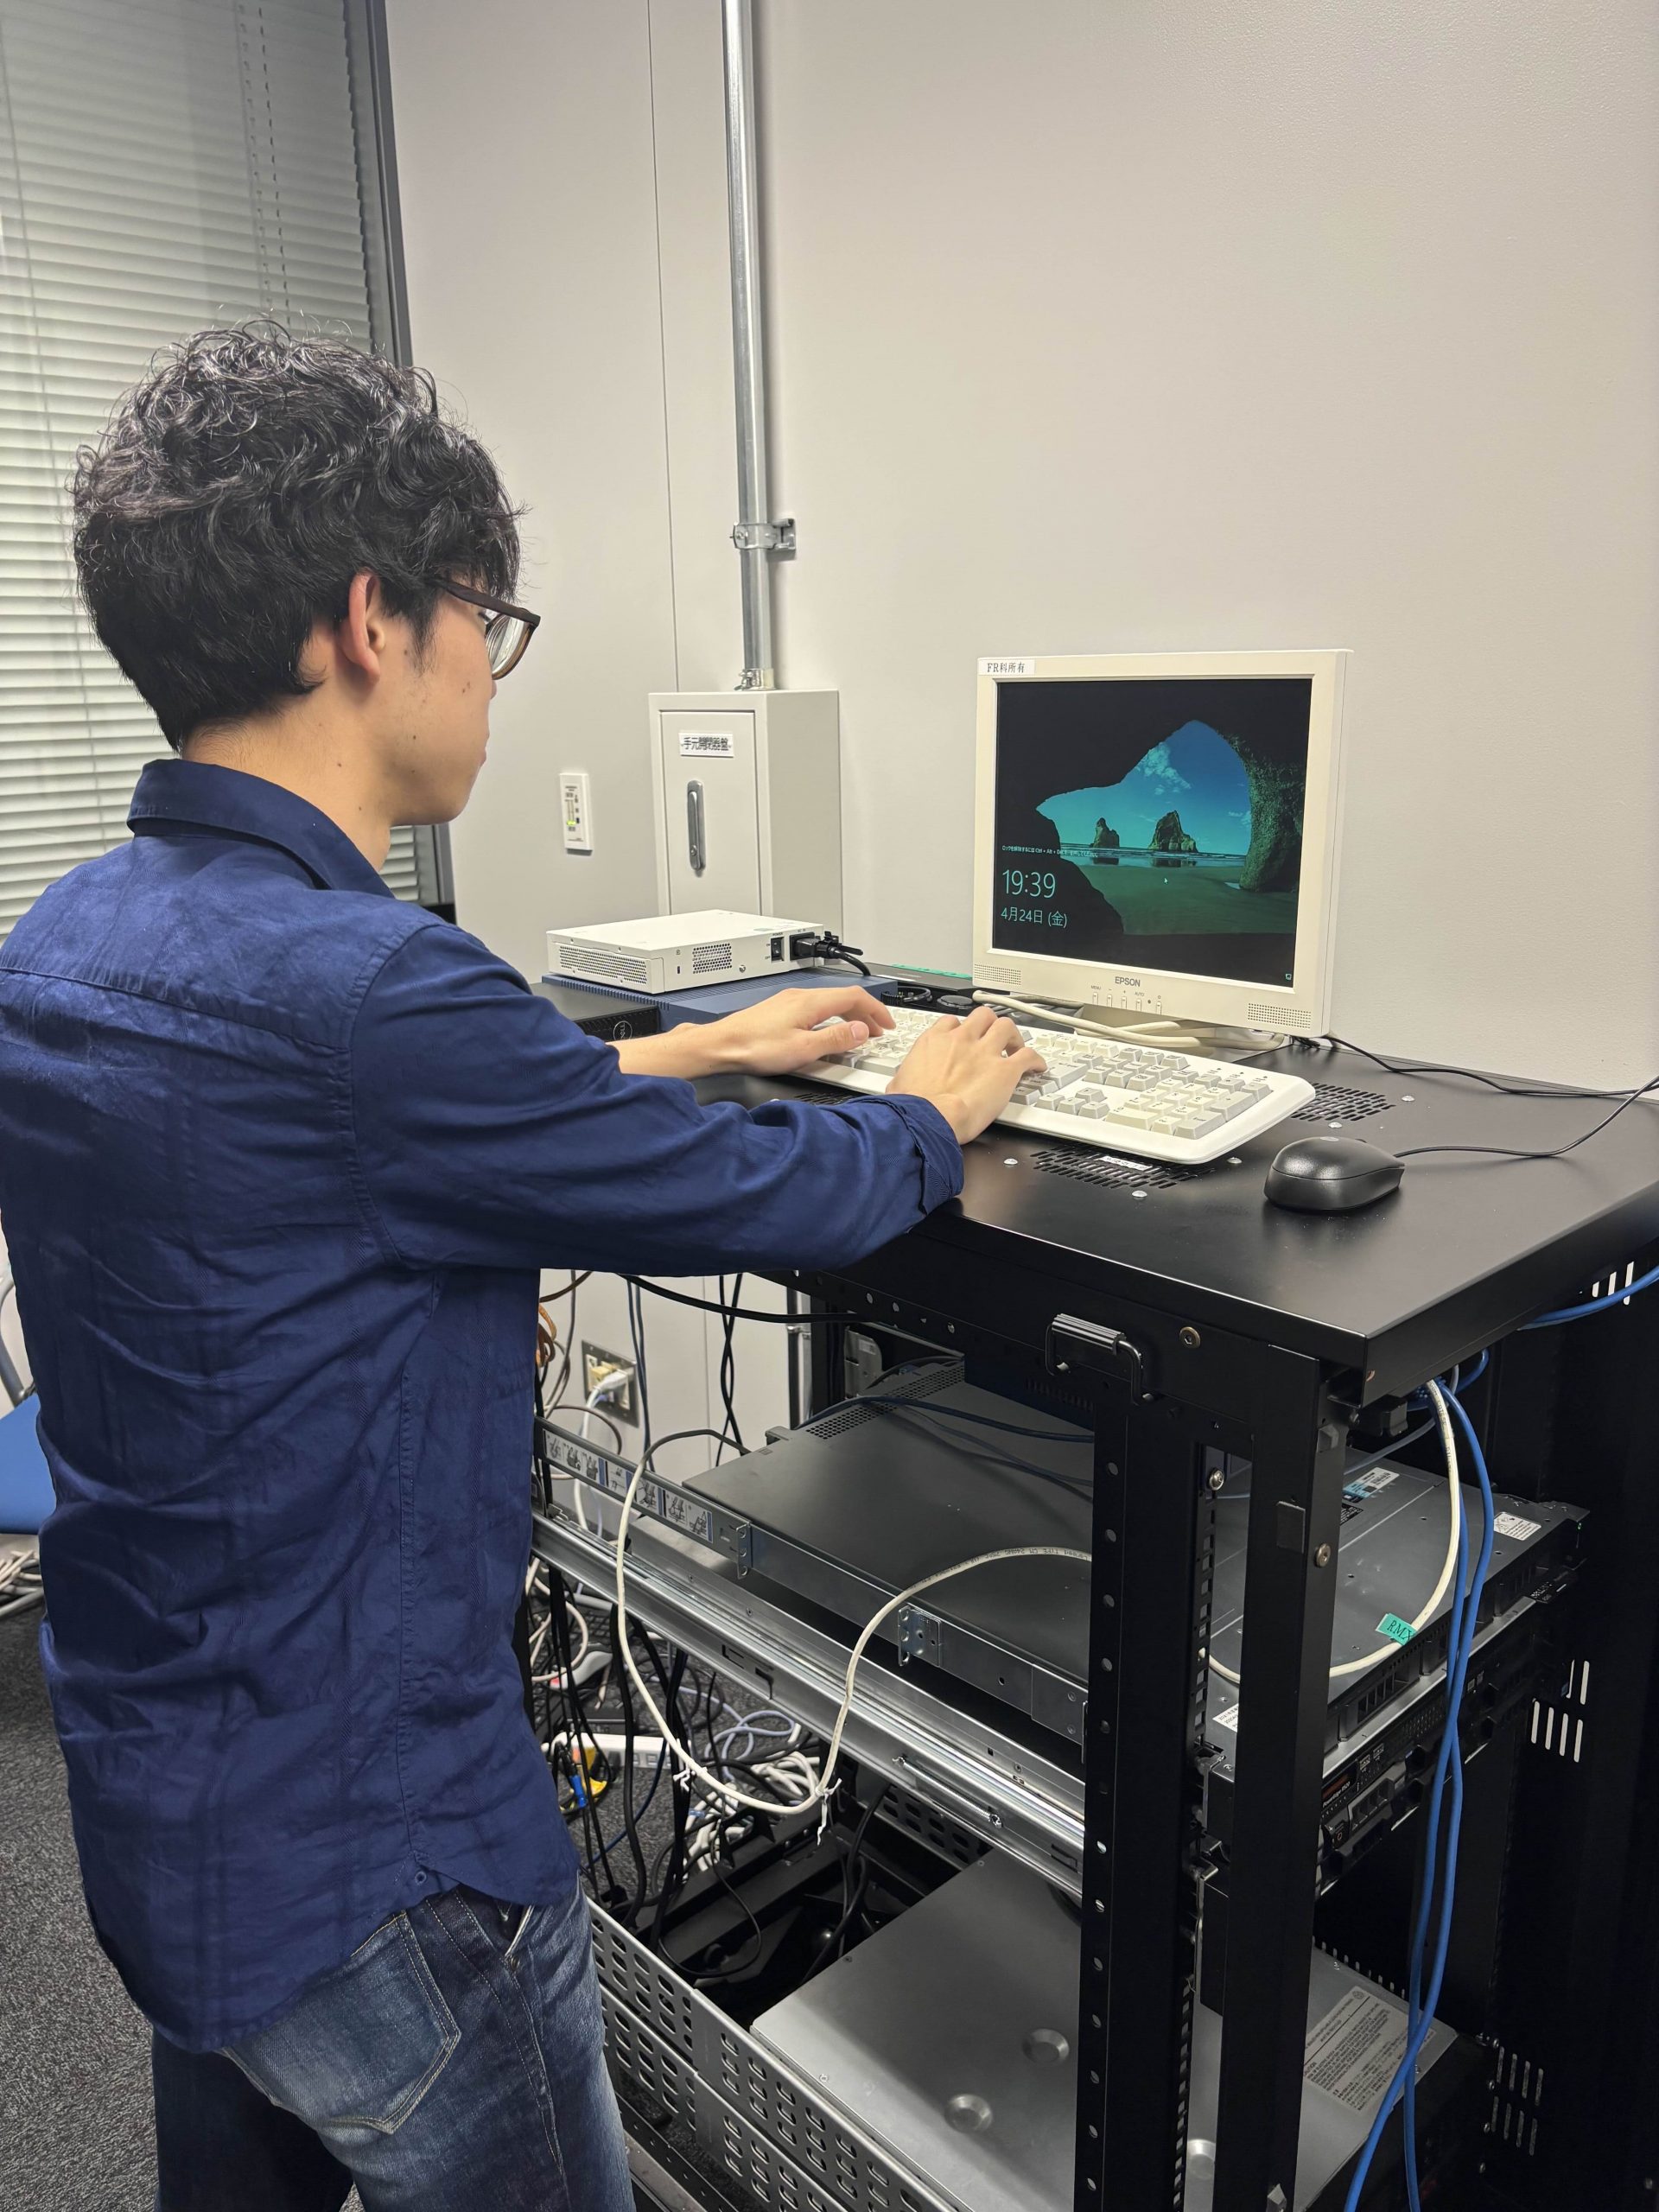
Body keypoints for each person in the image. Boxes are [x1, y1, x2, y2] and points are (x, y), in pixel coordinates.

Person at [0, 328, 1043, 2212]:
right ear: (369, 621)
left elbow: (336, 1129)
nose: (492, 667)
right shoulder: (381, 989)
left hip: (169, 1811)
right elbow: (769, 1204)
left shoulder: (67, 940)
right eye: (487, 617)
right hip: (389, 1863)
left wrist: (691, 1043)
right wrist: (928, 1110)